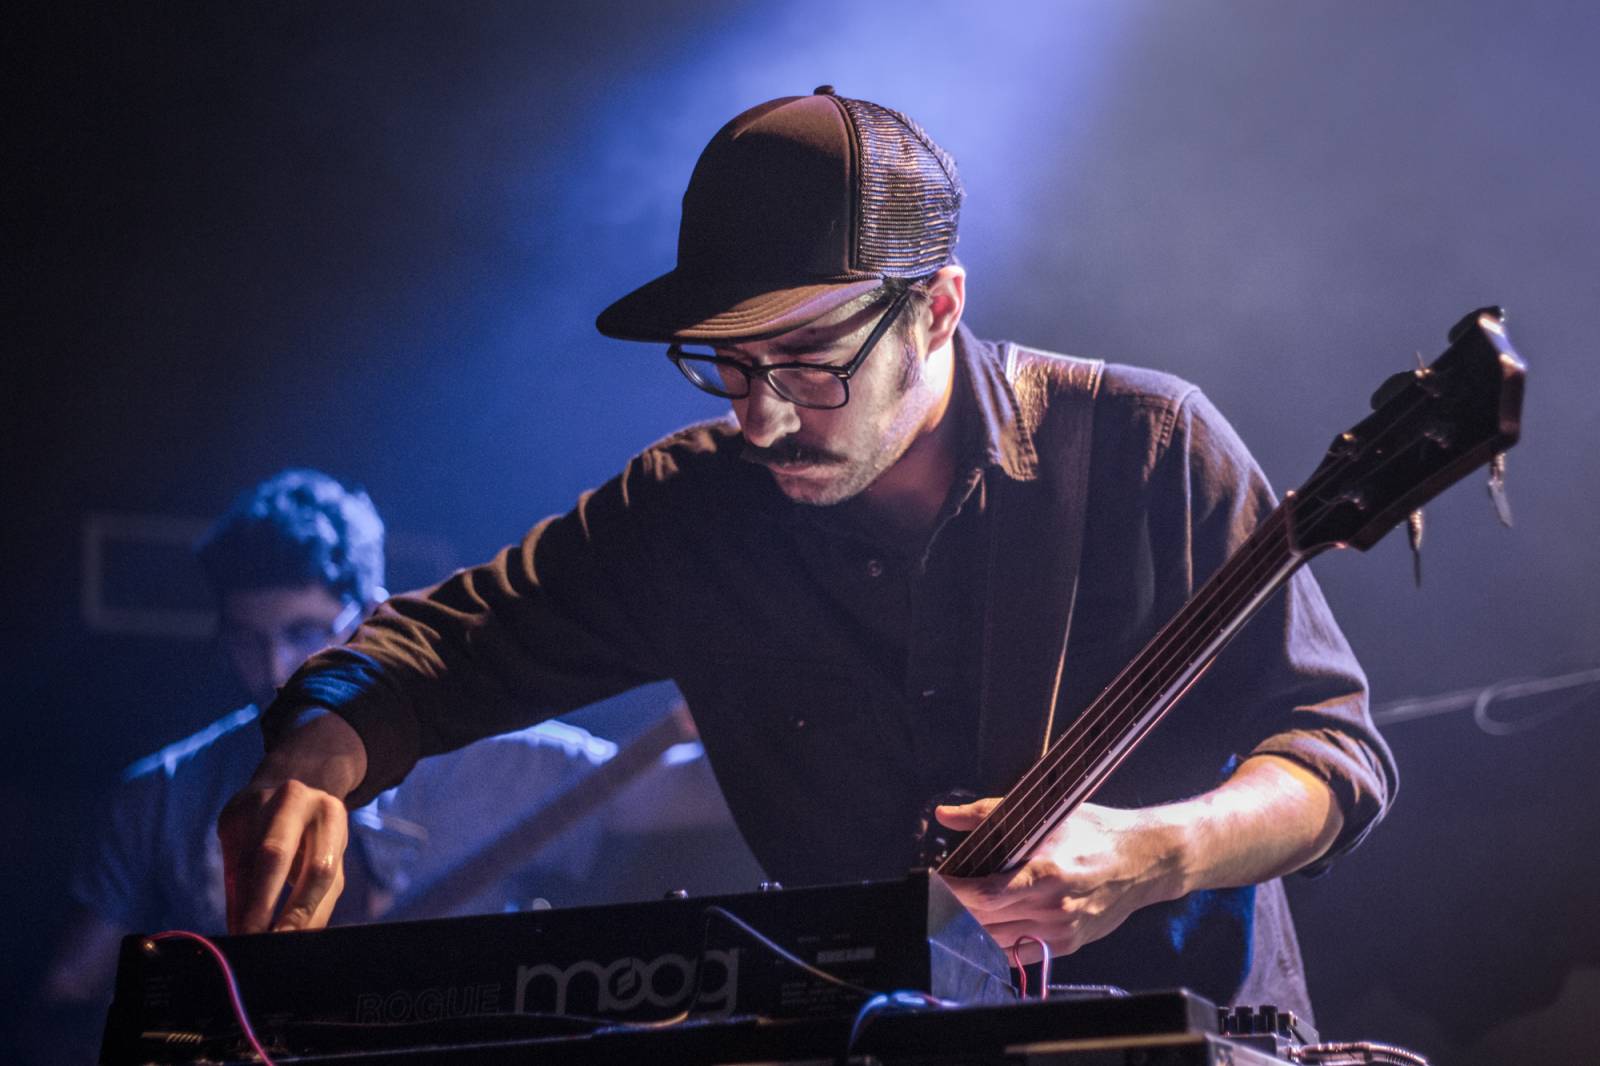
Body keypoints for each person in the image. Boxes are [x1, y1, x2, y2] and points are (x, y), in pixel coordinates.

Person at [219, 90, 1397, 1019]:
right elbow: (442, 650)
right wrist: (314, 759)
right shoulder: (692, 513)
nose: (761, 416)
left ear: (937, 308)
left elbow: (1332, 753)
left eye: (809, 362)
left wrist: (1158, 851)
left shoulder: (1148, 446)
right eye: (728, 365)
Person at [42, 469, 617, 1018]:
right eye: (246, 639)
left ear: (373, 620)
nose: (275, 671)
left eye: (303, 633)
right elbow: (68, 994)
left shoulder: (500, 758)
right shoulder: (161, 792)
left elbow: (661, 783)